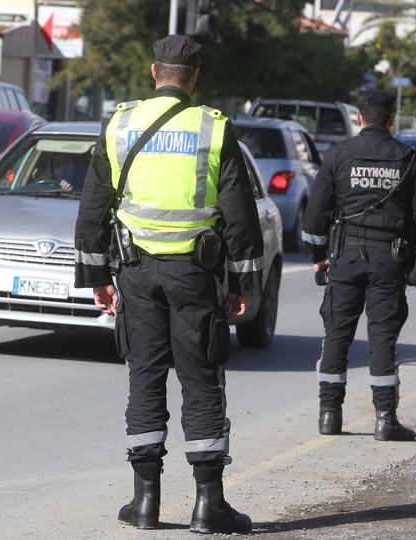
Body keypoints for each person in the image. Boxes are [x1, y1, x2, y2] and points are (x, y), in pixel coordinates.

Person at [73, 35, 263, 534]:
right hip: (195, 276)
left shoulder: (119, 124)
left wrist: (95, 276)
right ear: (194, 76)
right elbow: (241, 216)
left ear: (154, 71)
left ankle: (145, 503)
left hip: (135, 274)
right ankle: (208, 505)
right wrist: (243, 283)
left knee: (145, 375)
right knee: (201, 378)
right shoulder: (213, 129)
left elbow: (93, 206)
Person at [301, 89, 416, 441]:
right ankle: (384, 419)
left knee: (336, 336)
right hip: (389, 263)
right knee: (382, 340)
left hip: (344, 259)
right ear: (391, 121)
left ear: (360, 118)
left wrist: (319, 259)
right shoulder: (407, 158)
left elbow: (314, 216)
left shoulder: (337, 156)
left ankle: (329, 416)